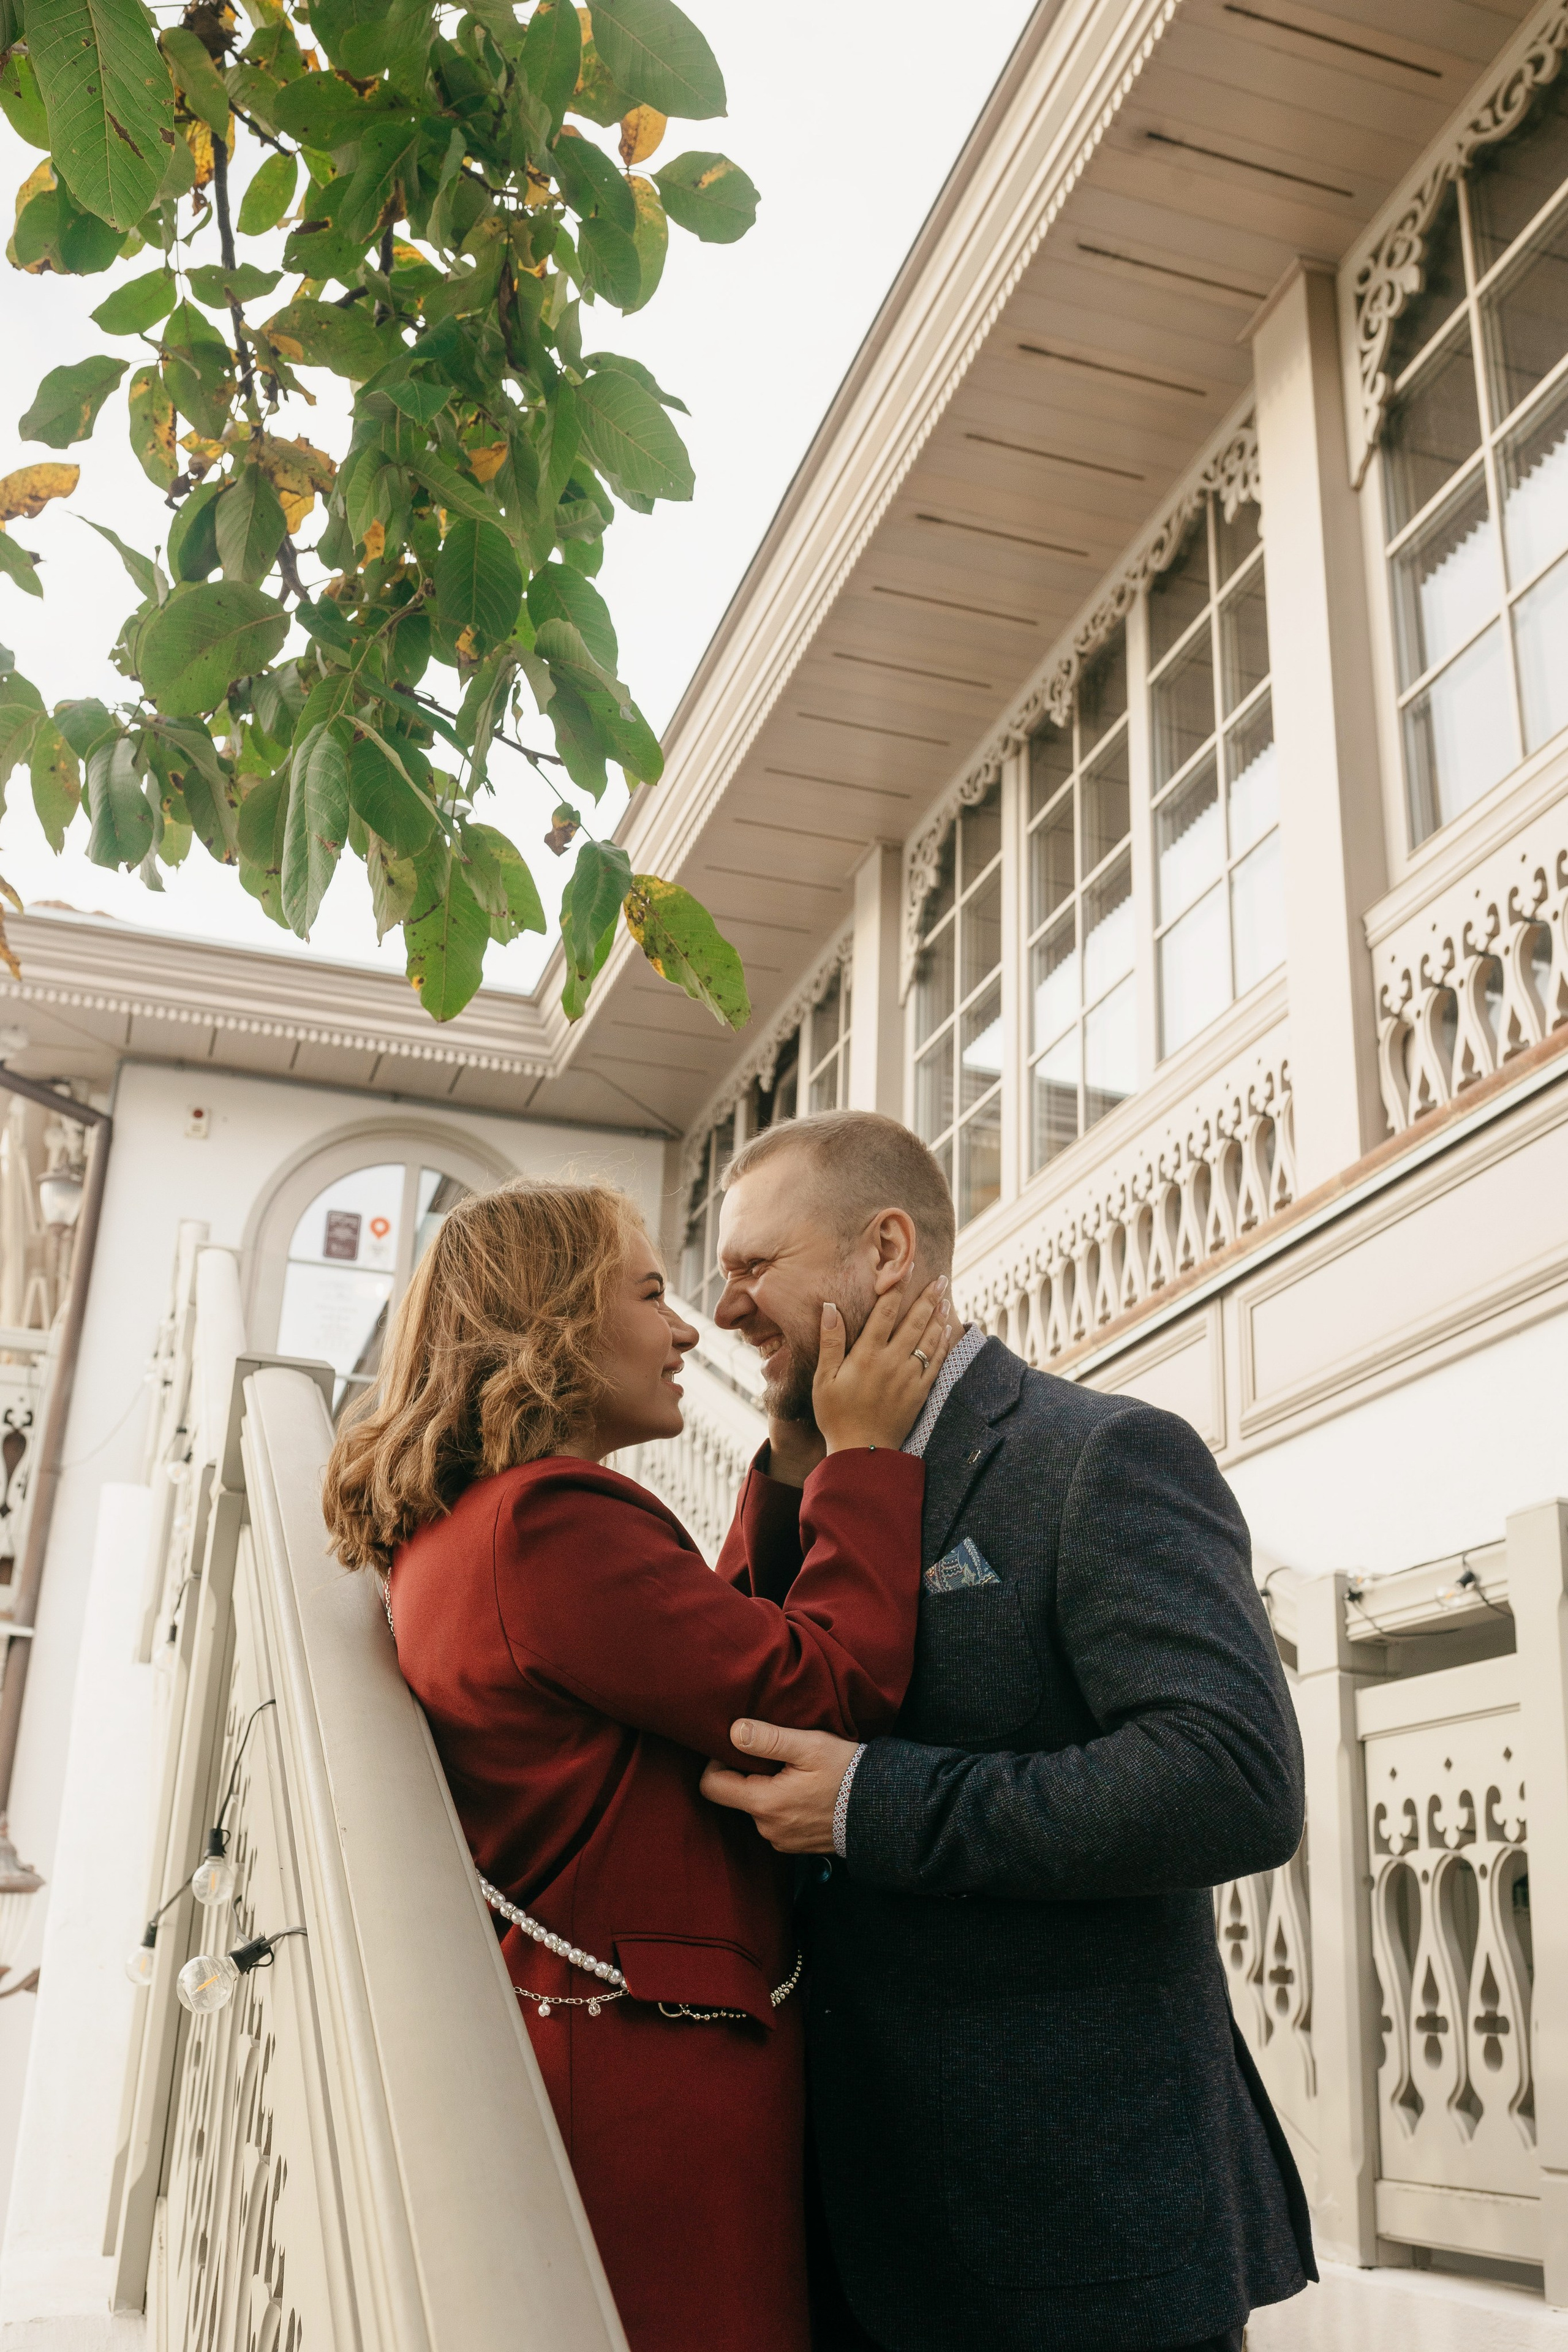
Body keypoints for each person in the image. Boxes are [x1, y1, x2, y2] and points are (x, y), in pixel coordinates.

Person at [698, 1111, 1316, 2352]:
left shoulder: (1100, 1456)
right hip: (846, 2241)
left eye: (753, 1268)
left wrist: (874, 1805)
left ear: (885, 1251)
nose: (724, 1311)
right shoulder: (798, 1481)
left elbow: (1230, 1777)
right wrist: (790, 1477)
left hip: (1076, 2249)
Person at [320, 1177, 955, 2352]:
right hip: (653, 2082)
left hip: (622, 2049)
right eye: (653, 1291)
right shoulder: (552, 1520)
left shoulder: (487, 1526)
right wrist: (864, 1460)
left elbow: (711, 1654)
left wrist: (785, 1465)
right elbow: (820, 1691)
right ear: (553, 1315)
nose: (688, 1328)